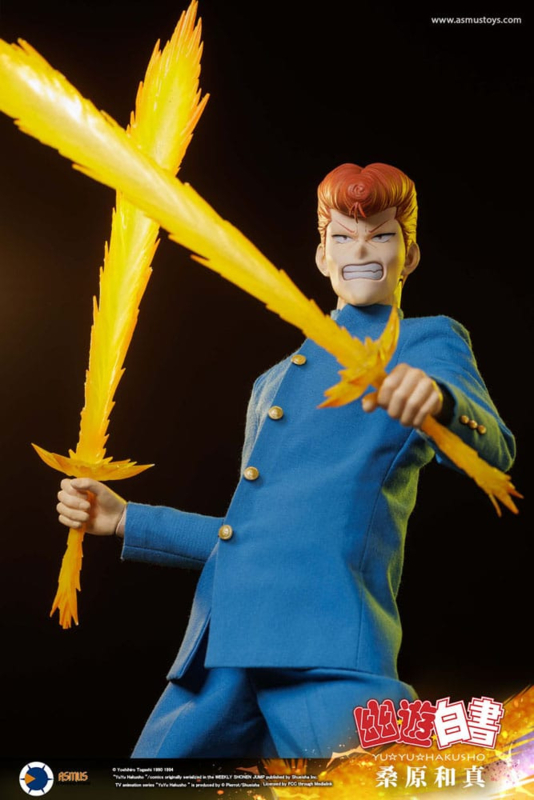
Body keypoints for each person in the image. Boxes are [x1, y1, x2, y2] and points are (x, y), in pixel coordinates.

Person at [56, 162, 515, 759]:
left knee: (374, 790)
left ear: (411, 255)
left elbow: (496, 447)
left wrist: (442, 402)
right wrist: (125, 519)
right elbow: (249, 537)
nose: (360, 250)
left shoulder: (425, 341)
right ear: (322, 256)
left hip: (326, 654)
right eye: (343, 237)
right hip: (218, 659)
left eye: (380, 234)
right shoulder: (272, 382)